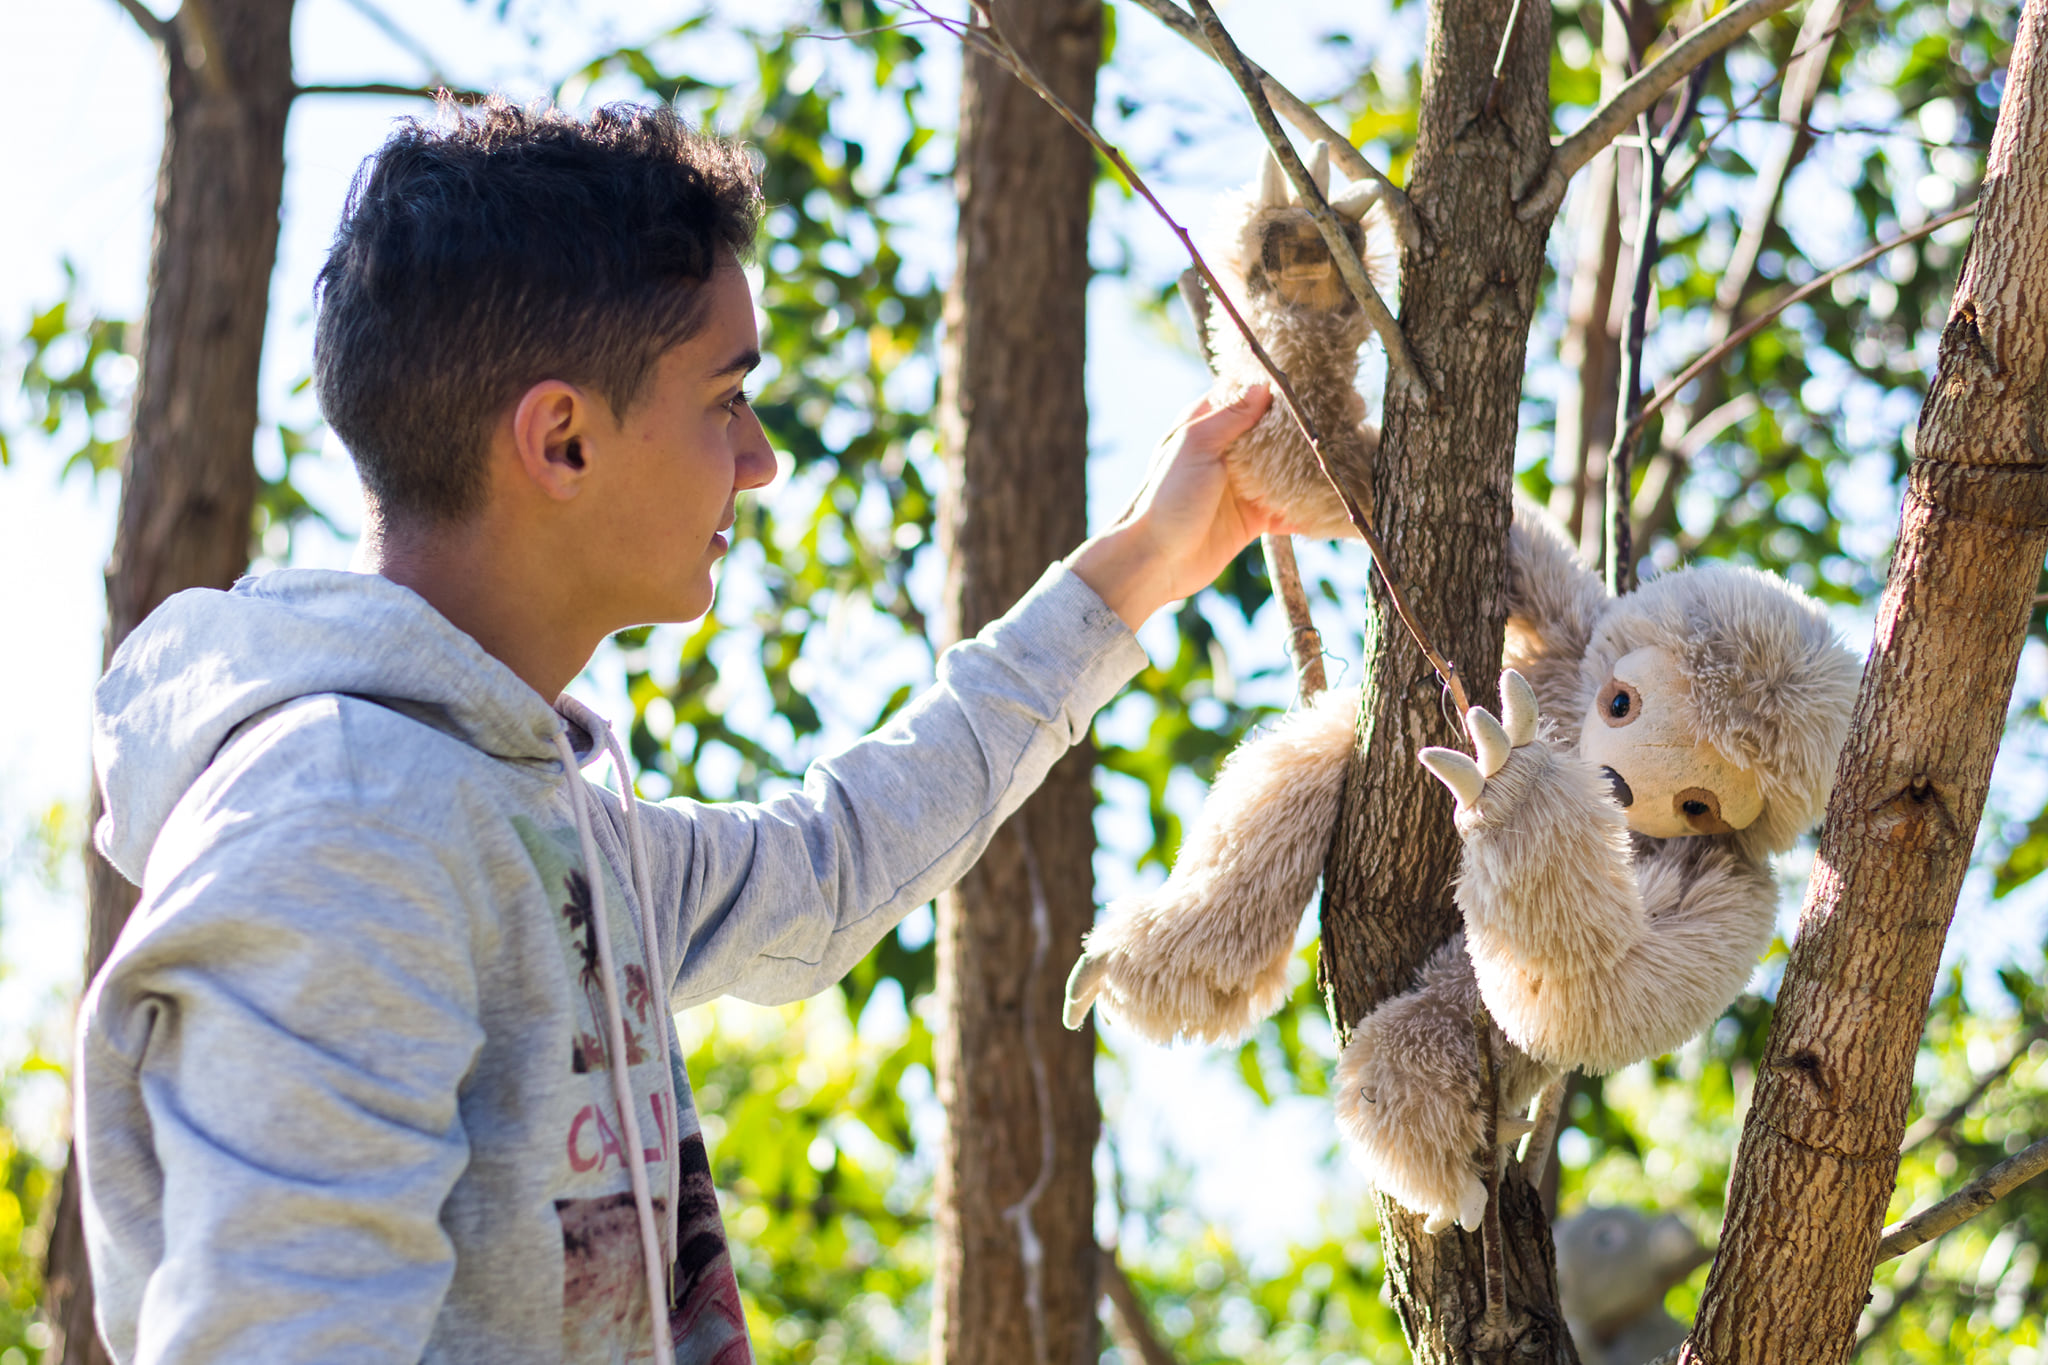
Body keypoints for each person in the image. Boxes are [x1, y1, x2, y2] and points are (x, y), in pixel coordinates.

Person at [74, 99, 1282, 1364]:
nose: (757, 460)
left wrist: (1141, 563)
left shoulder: (514, 809)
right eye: (725, 400)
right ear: (562, 440)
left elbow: (826, 867)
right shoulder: (341, 827)